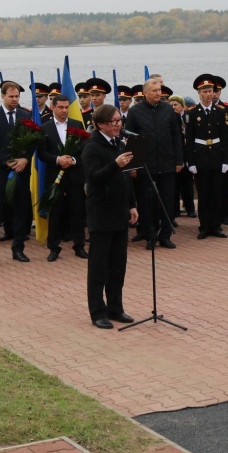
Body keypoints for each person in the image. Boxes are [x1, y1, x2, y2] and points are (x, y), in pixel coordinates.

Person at [81, 104, 138, 330]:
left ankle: (116, 308)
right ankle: (97, 312)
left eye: (119, 121)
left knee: (118, 264)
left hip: (119, 211)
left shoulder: (119, 144)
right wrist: (115, 164)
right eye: (114, 122)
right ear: (101, 124)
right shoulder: (91, 147)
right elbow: (93, 178)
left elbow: (125, 178)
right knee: (99, 266)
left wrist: (132, 205)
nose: (118, 125)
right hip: (101, 212)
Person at [124, 78, 184, 249]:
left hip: (167, 162)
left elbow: (176, 135)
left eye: (159, 90)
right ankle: (150, 236)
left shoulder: (167, 109)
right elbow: (130, 139)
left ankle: (165, 235)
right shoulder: (135, 111)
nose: (158, 93)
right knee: (146, 202)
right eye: (154, 90)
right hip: (145, 165)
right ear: (145, 93)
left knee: (167, 201)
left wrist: (179, 160)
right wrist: (133, 165)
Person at [0, 81, 33, 267]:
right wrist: (6, 161)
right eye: (11, 96)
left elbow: (33, 141)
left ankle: (18, 249)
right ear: (2, 96)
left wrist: (25, 159)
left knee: (20, 209)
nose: (14, 100)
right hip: (1, 170)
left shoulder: (25, 115)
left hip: (21, 170)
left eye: (17, 96)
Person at [37, 94, 88, 261]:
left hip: (74, 176)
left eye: (67, 107)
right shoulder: (45, 128)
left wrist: (72, 160)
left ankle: (79, 246)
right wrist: (58, 160)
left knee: (77, 211)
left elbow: (84, 151)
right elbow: (42, 153)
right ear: (53, 107)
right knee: (55, 212)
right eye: (61, 107)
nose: (65, 110)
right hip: (55, 177)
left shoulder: (77, 125)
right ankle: (53, 247)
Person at [185, 74, 228, 240]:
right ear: (199, 93)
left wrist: (226, 160)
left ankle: (216, 226)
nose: (208, 94)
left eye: (210, 91)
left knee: (217, 193)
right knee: (203, 194)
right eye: (204, 91)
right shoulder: (191, 113)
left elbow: (226, 139)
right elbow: (188, 141)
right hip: (200, 157)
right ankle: (204, 226)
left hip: (217, 156)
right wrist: (190, 162)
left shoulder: (221, 112)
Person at [211, 80, 228, 226]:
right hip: (209, 153)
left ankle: (225, 214)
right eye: (212, 91)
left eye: (217, 91)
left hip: (224, 152)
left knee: (224, 185)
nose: (214, 94)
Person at [168, 94, 196, 219]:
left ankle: (190, 208)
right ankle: (175, 210)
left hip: (186, 155)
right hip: (173, 157)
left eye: (176, 105)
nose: (174, 107)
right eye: (171, 105)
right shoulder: (169, 119)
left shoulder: (189, 118)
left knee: (187, 184)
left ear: (182, 106)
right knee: (174, 185)